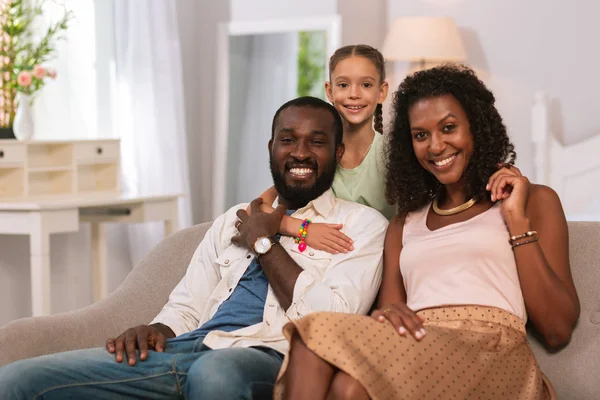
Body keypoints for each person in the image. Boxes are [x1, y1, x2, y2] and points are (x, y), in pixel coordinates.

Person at [0, 96, 389, 399]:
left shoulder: (362, 226)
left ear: (338, 154)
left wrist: (264, 241)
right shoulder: (234, 218)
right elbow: (186, 305)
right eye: (288, 140)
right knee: (18, 379)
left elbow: (329, 322)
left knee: (215, 373)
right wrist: (156, 328)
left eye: (317, 142)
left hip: (265, 355)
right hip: (183, 351)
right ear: (272, 147)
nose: (300, 153)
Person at [275, 65, 580, 400]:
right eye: (421, 135)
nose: (436, 146)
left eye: (448, 128)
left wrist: (516, 220)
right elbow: (390, 314)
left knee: (316, 332)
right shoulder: (403, 224)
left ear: (476, 126)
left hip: (492, 355)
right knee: (344, 382)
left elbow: (557, 329)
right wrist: (387, 313)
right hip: (419, 346)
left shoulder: (534, 200)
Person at [254, 45, 394, 255]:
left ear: (381, 91)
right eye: (344, 85)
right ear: (330, 91)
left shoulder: (394, 155)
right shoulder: (316, 155)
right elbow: (256, 210)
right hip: (321, 262)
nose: (354, 94)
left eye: (365, 84)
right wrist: (303, 230)